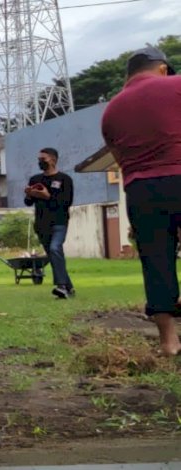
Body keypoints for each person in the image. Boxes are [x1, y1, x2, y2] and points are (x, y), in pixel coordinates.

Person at [101, 46, 181, 356]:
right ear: (162, 68)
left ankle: (168, 341)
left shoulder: (111, 110)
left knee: (155, 260)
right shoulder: (175, 85)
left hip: (141, 190)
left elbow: (121, 161)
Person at [24, 147, 75, 298]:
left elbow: (66, 202)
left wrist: (47, 196)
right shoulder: (35, 180)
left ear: (53, 160)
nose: (40, 162)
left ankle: (61, 287)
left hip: (59, 222)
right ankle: (69, 287)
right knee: (54, 255)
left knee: (54, 249)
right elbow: (28, 202)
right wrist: (29, 194)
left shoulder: (64, 179)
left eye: (43, 159)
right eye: (39, 160)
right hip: (41, 224)